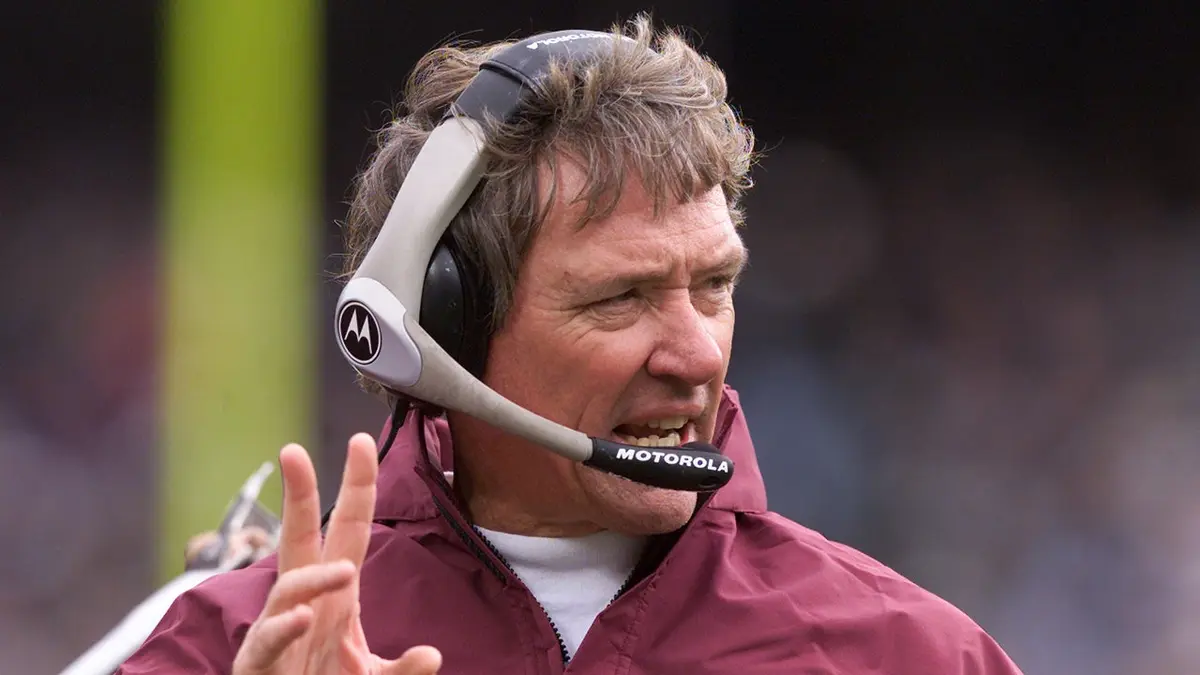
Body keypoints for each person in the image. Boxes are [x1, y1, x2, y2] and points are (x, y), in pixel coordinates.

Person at [117, 15, 1023, 674]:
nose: (698, 354)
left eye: (714, 287)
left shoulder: (916, 653)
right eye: (621, 298)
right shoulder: (214, 650)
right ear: (445, 328)